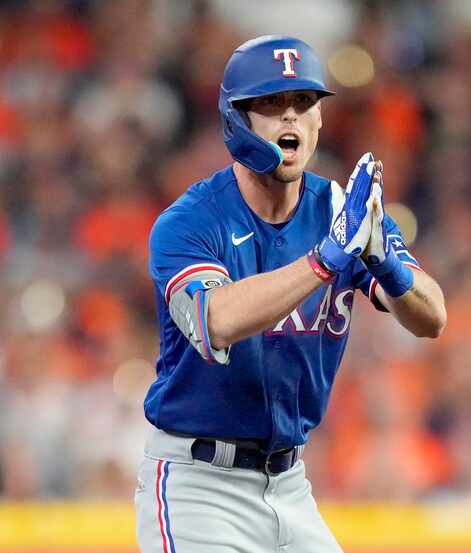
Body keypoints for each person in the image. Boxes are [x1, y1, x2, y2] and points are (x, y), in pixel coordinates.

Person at [134, 35, 446, 553]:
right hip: (198, 486)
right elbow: (216, 321)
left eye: (303, 103)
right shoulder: (190, 222)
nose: (290, 118)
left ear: (320, 119)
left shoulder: (340, 211)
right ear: (237, 121)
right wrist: (326, 260)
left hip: (291, 483)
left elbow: (431, 317)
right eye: (271, 104)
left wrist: (381, 258)